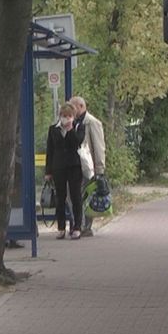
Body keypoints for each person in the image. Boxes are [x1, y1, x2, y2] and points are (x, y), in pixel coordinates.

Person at [44, 102, 86, 240]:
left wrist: (70, 130)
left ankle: (77, 227)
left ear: (73, 117)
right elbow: (50, 150)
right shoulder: (53, 129)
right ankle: (61, 227)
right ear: (59, 116)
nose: (66, 118)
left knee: (75, 196)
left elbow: (77, 142)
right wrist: (48, 171)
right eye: (64, 116)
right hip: (58, 166)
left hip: (74, 166)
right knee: (60, 197)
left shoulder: (79, 127)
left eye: (69, 116)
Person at [71, 96, 105, 236]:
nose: (71, 111)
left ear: (80, 106)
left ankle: (86, 226)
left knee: (86, 195)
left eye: (73, 107)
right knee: (75, 196)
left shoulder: (92, 122)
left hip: (88, 167)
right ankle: (78, 224)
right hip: (74, 166)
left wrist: (100, 169)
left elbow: (98, 146)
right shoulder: (73, 122)